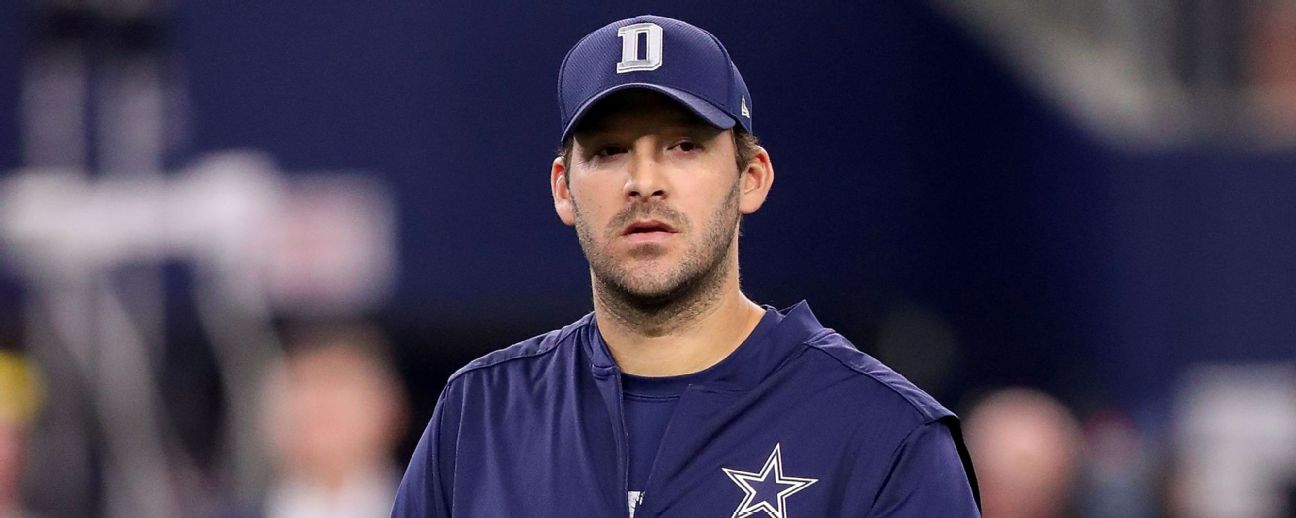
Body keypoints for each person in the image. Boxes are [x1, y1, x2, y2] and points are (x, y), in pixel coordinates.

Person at [393, 15, 979, 517]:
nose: (644, 181)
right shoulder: (479, 416)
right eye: (609, 151)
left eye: (684, 146)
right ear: (563, 189)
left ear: (751, 178)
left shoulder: (884, 433)